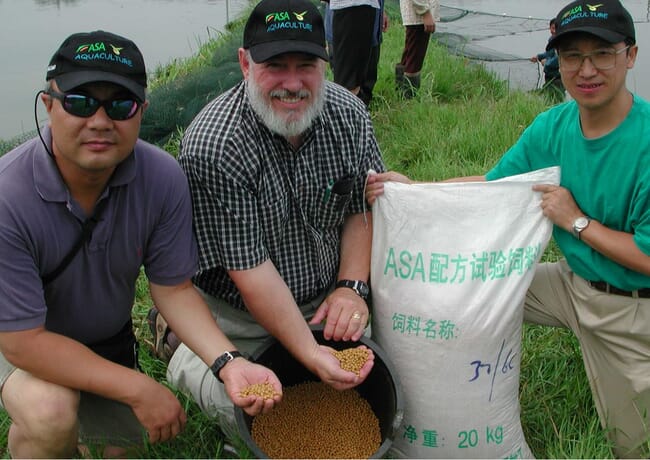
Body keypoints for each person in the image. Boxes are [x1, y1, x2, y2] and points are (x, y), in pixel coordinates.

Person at [366, 0, 650, 457]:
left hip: (630, 305)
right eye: (573, 55)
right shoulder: (553, 126)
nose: (587, 69)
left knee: (633, 444)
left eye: (603, 54)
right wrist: (414, 187)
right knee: (464, 294)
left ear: (630, 56)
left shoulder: (645, 143)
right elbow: (493, 184)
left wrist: (576, 221)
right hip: (570, 283)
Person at [0, 30, 282, 458]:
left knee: (120, 450)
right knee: (51, 411)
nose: (99, 121)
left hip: (106, 340)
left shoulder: (163, 178)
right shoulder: (7, 196)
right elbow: (23, 341)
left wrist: (229, 362)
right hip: (20, 339)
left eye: (120, 105)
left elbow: (173, 289)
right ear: (48, 106)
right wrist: (137, 387)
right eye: (79, 102)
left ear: (141, 111)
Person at [148, 0, 384, 444]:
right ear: (244, 63)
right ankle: (182, 344)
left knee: (376, 380)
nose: (292, 84)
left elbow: (361, 207)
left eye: (306, 65)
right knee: (260, 411)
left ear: (325, 62)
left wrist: (351, 288)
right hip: (239, 314)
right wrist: (312, 353)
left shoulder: (349, 115)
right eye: (275, 65)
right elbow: (251, 272)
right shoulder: (215, 145)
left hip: (325, 296)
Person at [329, 0, 387, 106]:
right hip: (354, 7)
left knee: (353, 77)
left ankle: (353, 115)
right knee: (349, 81)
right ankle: (346, 118)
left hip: (356, 7)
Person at [395, 0, 439, 98]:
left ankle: (401, 95)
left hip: (417, 14)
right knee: (414, 61)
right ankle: (408, 100)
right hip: (418, 16)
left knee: (409, 56)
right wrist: (425, 12)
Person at [530, 18, 565, 102]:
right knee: (548, 100)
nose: (553, 31)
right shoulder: (552, 40)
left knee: (557, 102)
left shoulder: (562, 42)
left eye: (556, 29)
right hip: (549, 77)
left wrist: (546, 63)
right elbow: (549, 54)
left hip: (557, 79)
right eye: (552, 28)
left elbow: (559, 59)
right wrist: (538, 57)